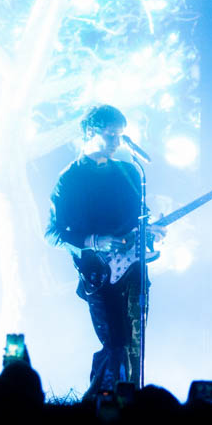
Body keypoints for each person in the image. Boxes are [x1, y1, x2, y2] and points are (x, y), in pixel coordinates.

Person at [46, 104, 164, 396]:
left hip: (134, 271)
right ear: (90, 131)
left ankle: (132, 401)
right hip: (98, 273)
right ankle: (100, 404)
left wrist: (153, 232)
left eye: (120, 135)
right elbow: (53, 233)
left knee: (135, 345)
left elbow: (141, 219)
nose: (116, 142)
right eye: (110, 135)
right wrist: (94, 241)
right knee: (114, 345)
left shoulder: (129, 172)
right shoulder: (70, 178)